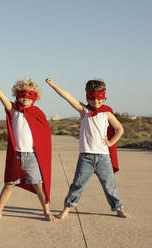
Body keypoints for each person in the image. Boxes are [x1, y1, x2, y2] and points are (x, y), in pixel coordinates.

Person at [45, 77, 130, 219]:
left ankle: (118, 208)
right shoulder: (84, 110)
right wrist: (52, 84)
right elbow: (67, 96)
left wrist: (111, 142)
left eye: (99, 98)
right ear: (87, 97)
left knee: (109, 185)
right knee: (77, 184)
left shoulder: (107, 113)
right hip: (86, 157)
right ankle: (67, 209)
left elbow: (119, 129)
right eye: (92, 98)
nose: (95, 102)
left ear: (104, 97)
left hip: (103, 157)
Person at [0, 73, 55, 222]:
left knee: (38, 185)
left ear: (35, 97)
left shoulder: (37, 114)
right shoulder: (13, 110)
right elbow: (1, 96)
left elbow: (43, 136)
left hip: (31, 156)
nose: (25, 98)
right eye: (22, 95)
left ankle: (47, 211)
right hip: (16, 155)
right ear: (17, 95)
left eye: (29, 96)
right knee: (9, 184)